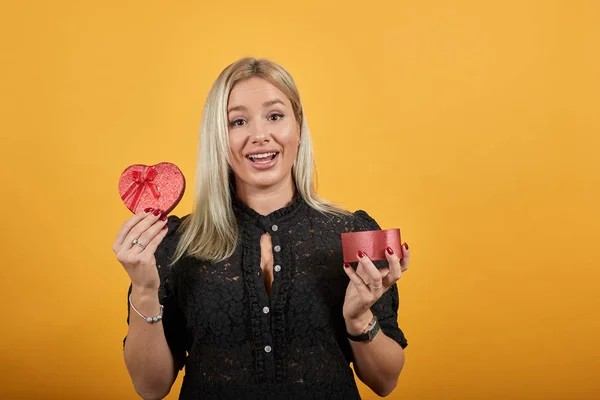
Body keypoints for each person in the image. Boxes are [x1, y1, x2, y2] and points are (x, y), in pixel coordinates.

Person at [113, 57, 411, 400]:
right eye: (238, 121)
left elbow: (385, 382)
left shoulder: (352, 233)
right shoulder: (177, 243)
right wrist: (144, 290)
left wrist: (359, 319)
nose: (259, 135)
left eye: (275, 116)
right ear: (219, 138)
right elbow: (150, 388)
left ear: (298, 127)